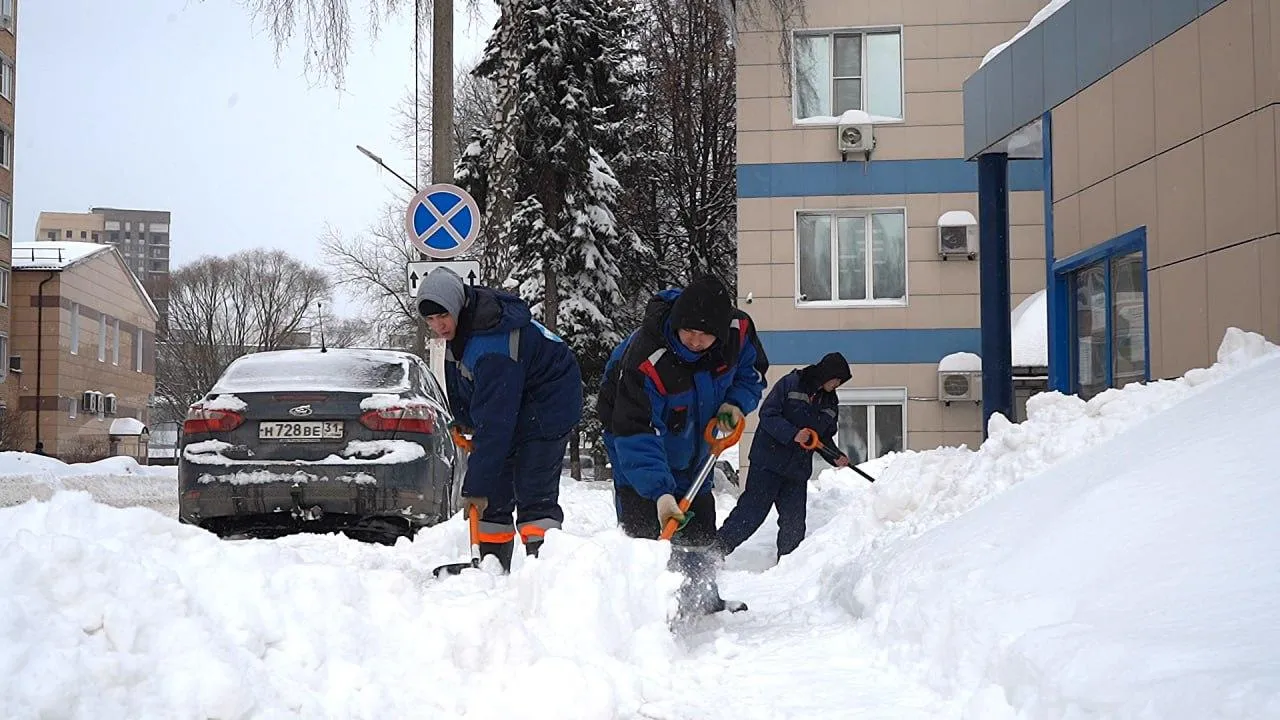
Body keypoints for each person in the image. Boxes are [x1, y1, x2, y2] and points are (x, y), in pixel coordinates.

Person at [598, 275, 768, 617]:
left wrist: (734, 404)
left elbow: (752, 374)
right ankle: (645, 617)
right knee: (645, 540)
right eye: (688, 331)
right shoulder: (646, 359)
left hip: (696, 452)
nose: (694, 340)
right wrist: (660, 494)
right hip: (635, 446)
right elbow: (636, 431)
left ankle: (703, 602)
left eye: (705, 335)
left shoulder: (739, 334)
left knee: (699, 532)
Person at [417, 267, 583, 572]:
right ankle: (492, 565)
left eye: (442, 317)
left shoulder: (490, 342)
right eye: (430, 320)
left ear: (456, 307)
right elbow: (468, 386)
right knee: (495, 488)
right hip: (514, 398)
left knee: (533, 487)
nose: (437, 326)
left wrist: (475, 486)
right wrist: (464, 420)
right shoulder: (464, 330)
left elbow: (495, 423)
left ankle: (544, 572)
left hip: (548, 404)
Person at [715, 352, 852, 562]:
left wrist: (836, 456)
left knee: (794, 522)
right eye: (837, 379)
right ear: (827, 373)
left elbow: (822, 438)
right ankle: (714, 553)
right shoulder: (792, 383)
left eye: (840, 382)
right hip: (768, 462)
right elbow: (768, 414)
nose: (837, 384)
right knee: (751, 514)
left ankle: (788, 568)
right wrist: (793, 434)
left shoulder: (830, 402)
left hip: (796, 470)